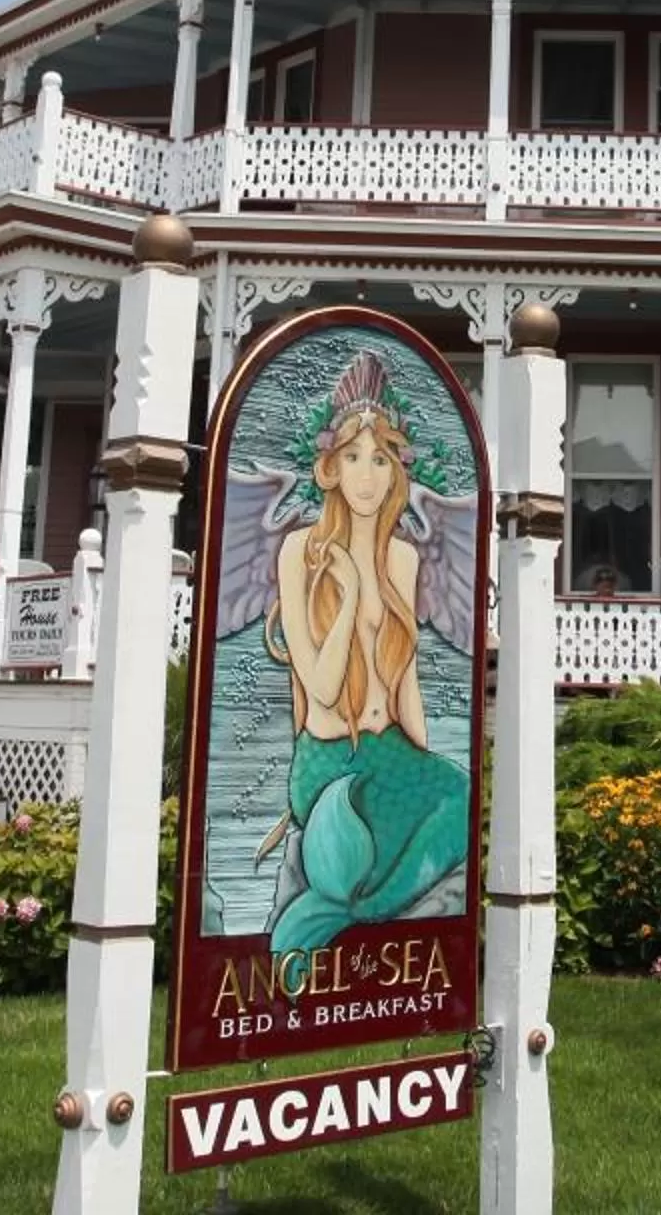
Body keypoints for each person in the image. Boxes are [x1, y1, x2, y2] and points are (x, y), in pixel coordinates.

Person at [261, 353, 468, 956]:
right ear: (329, 468)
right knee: (415, 816)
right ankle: (348, 913)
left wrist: (428, 762)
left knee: (456, 795)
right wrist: (349, 596)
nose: (367, 476)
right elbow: (321, 690)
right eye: (353, 458)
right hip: (329, 761)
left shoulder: (402, 558)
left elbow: (405, 682)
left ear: (396, 471)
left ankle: (364, 913)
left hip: (389, 749)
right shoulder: (299, 552)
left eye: (380, 459)